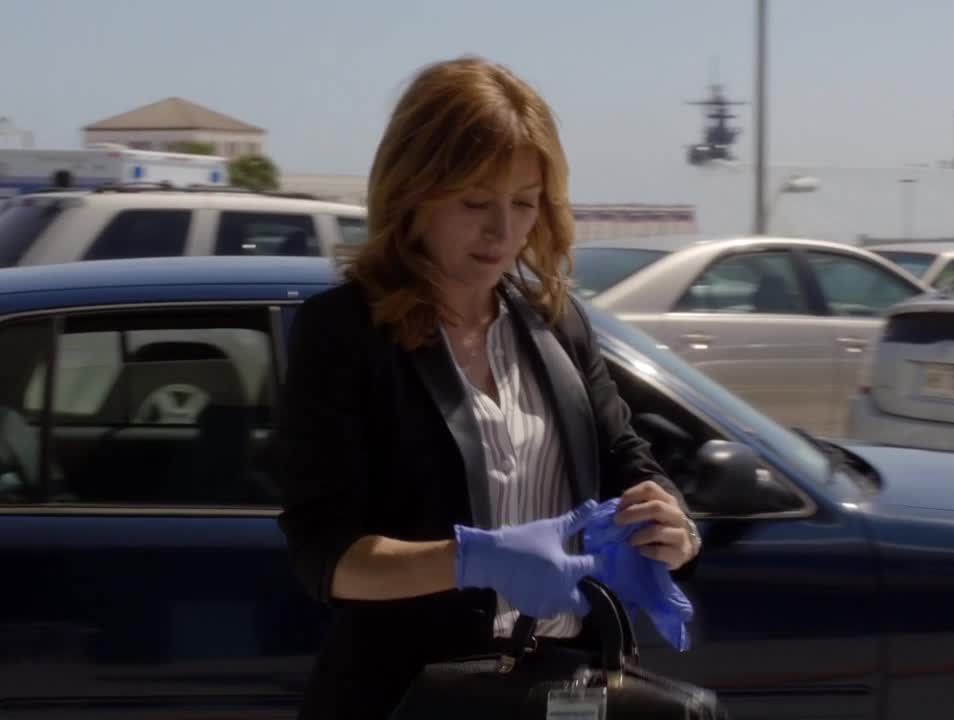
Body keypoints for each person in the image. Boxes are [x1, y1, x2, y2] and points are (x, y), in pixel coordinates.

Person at [276, 56, 700, 720]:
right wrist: (473, 560)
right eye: (475, 202)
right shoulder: (345, 332)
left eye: (524, 203)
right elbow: (325, 556)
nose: (503, 230)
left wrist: (671, 527)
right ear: (413, 192)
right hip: (410, 702)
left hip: (560, 696)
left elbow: (628, 462)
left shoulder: (557, 325)